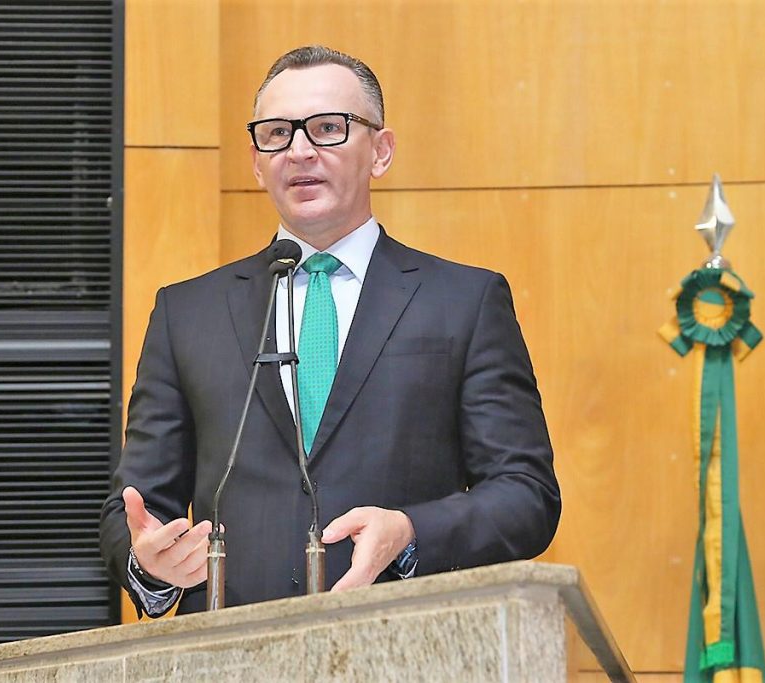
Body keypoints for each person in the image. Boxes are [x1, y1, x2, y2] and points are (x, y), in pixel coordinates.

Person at [99, 45, 560, 617]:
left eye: (327, 128)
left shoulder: (463, 301)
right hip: (232, 644)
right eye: (277, 133)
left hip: (407, 640)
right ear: (256, 161)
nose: (299, 151)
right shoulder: (187, 312)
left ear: (380, 151)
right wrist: (150, 562)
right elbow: (134, 507)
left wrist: (410, 531)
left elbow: (526, 495)